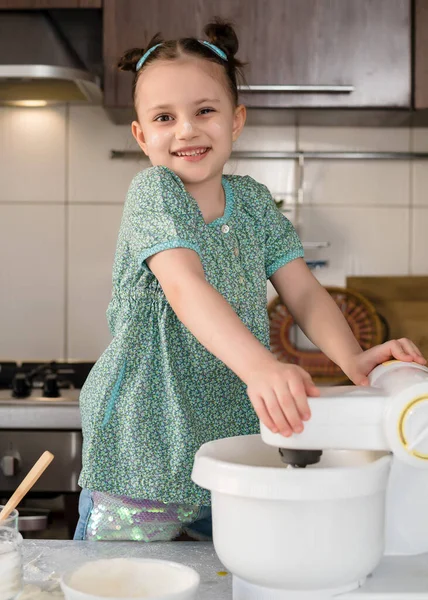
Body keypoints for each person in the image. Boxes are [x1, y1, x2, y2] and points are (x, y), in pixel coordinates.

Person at [74, 19, 426, 542]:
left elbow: (302, 291)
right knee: (125, 582)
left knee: (230, 577)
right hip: (142, 451)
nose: (187, 130)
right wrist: (263, 365)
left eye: (205, 111)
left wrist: (352, 359)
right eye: (165, 117)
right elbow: (185, 287)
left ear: (236, 120)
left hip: (230, 445)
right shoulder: (153, 193)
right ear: (141, 134)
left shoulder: (255, 203)